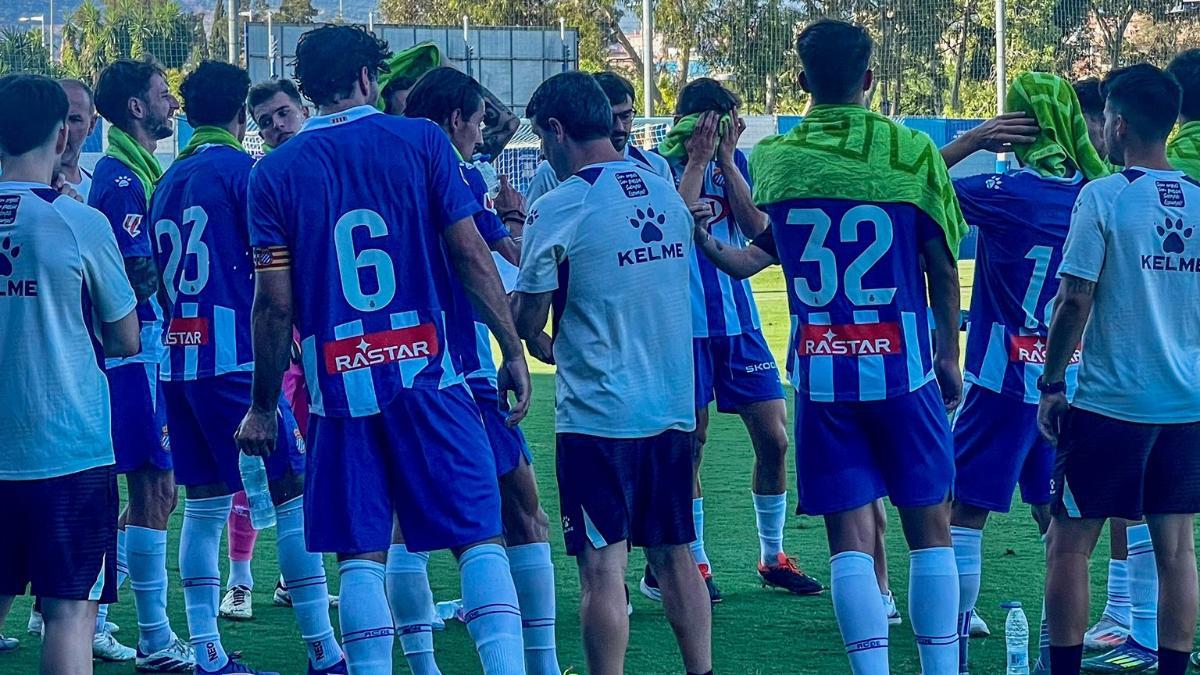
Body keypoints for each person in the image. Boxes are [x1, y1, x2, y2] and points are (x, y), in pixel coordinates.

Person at [235, 25, 532, 675]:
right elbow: (470, 252)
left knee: (362, 552)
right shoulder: (422, 140)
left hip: (340, 386)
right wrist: (511, 346)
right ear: (370, 77)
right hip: (433, 375)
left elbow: (274, 303)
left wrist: (263, 405)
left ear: (307, 89)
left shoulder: (273, 173)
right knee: (478, 539)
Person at [694, 20, 967, 674]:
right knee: (930, 530)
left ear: (800, 81)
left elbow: (757, 252)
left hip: (821, 375)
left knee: (848, 539)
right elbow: (942, 262)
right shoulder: (911, 151)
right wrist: (950, 354)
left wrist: (705, 239)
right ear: (870, 79)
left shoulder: (778, 160)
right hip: (902, 368)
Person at [512, 70, 712, 675]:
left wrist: (538, 340)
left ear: (556, 129)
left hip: (600, 416)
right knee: (677, 555)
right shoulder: (664, 194)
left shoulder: (560, 204)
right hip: (671, 406)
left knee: (602, 567)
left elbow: (526, 312)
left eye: (543, 140)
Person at [150, 60, 346, 675]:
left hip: (179, 360)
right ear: (242, 117)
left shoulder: (166, 179)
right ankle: (323, 651)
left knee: (204, 503)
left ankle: (207, 653)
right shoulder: (246, 174)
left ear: (188, 114)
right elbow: (272, 278)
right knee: (291, 495)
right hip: (235, 360)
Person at [391, 66, 559, 675]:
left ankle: (423, 665)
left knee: (399, 527)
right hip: (458, 374)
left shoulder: (374, 172)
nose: (484, 131)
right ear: (456, 121)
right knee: (518, 511)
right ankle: (537, 663)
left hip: (382, 371)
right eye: (477, 120)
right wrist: (521, 342)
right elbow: (496, 267)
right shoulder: (454, 173)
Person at [942, 72, 1109, 675]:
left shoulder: (1002, 189)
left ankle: (953, 635)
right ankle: (1056, 644)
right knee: (1057, 519)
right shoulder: (1099, 194)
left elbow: (911, 181)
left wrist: (975, 140)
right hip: (1069, 378)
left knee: (966, 510)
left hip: (1001, 374)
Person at [1039, 63, 1200, 675]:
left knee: (1068, 544)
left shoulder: (1104, 195)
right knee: (1177, 549)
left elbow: (1074, 299)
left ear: (1119, 123)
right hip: (1186, 404)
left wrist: (1052, 384)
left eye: (1105, 117)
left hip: (1112, 404)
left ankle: (1065, 670)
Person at [652, 77, 823, 601]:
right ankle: (695, 563)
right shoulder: (658, 167)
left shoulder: (740, 165)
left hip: (739, 323)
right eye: (721, 119)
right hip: (684, 327)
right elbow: (667, 230)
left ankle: (772, 556)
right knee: (692, 445)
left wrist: (726, 161)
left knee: (774, 437)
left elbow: (759, 232)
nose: (729, 128)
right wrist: (699, 162)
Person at [0, 72, 141, 674]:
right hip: (69, 449)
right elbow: (126, 335)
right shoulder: (79, 222)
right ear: (62, 138)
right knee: (70, 613)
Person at [89, 57, 195, 672]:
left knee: (158, 487)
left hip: (141, 348)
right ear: (136, 107)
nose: (172, 104)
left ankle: (93, 613)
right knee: (150, 485)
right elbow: (135, 273)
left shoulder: (134, 169)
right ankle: (153, 637)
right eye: (163, 95)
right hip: (135, 351)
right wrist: (190, 299)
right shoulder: (123, 179)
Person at [523, 71, 673, 204]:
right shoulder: (550, 170)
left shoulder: (656, 166)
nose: (620, 127)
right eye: (611, 117)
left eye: (626, 116)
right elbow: (533, 227)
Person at [57, 79, 98, 199]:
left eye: (74, 119)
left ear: (91, 125)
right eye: (56, 118)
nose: (64, 129)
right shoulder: (20, 188)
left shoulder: (98, 187)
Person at [247, 79, 308, 152]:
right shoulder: (264, 163)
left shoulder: (324, 149)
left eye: (283, 113)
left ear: (304, 113)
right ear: (262, 136)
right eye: (266, 122)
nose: (277, 124)